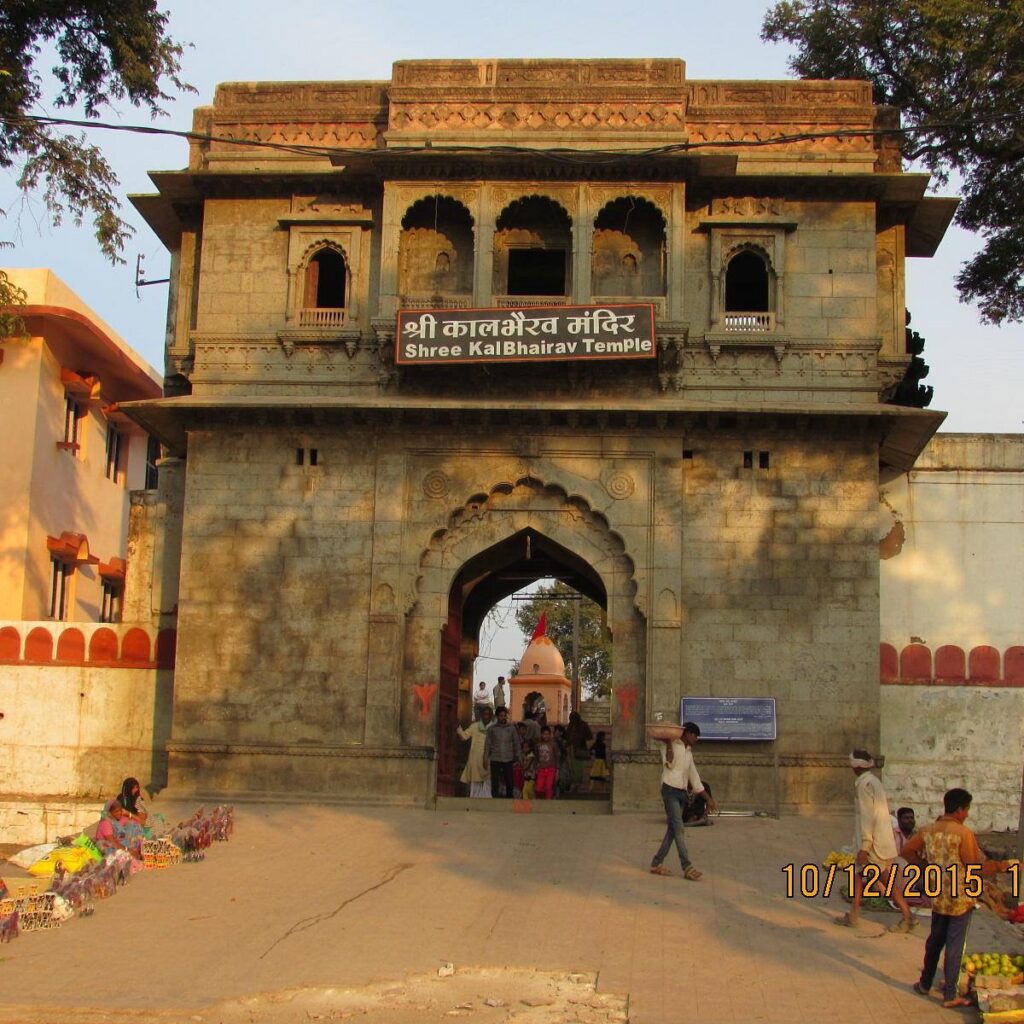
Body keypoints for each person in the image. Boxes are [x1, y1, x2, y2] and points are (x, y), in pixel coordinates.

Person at [903, 788, 1018, 1008]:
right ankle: (950, 995)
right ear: (959, 809)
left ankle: (925, 983)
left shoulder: (929, 829)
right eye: (966, 810)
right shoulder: (963, 834)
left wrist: (926, 867)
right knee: (955, 945)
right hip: (960, 898)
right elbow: (976, 867)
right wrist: (1003, 866)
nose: (967, 814)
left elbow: (907, 850)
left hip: (938, 895)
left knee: (935, 941)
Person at [834, 750, 915, 932]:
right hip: (877, 840)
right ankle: (853, 914)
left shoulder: (864, 785)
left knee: (883, 878)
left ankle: (907, 915)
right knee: (857, 875)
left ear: (857, 767)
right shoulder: (873, 781)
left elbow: (867, 818)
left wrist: (864, 847)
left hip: (873, 843)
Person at [649, 722, 717, 880]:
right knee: (679, 829)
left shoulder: (688, 752)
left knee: (672, 831)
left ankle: (656, 863)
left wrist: (709, 799)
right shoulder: (670, 744)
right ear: (687, 734)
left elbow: (695, 778)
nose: (696, 739)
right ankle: (687, 866)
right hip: (669, 791)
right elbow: (669, 763)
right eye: (695, 735)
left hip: (682, 793)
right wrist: (668, 744)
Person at [483, 706, 522, 798]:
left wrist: (519, 757)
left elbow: (516, 743)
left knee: (509, 781)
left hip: (508, 758)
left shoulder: (511, 728)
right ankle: (495, 801)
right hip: (495, 758)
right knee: (495, 782)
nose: (503, 718)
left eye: (504, 716)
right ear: (497, 717)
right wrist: (485, 758)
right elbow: (487, 744)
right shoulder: (491, 729)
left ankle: (509, 800)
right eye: (501, 716)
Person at [456, 705, 493, 798]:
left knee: (488, 780)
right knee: (475, 780)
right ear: (481, 715)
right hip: (475, 758)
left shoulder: (494, 727)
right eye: (485, 714)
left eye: (489, 714)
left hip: (489, 757)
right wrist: (458, 728)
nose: (486, 716)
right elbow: (464, 737)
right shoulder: (474, 726)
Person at [565, 711, 593, 792]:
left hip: (580, 748)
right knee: (572, 767)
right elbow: (568, 736)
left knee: (579, 768)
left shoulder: (583, 725)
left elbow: (589, 737)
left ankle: (576, 784)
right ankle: (574, 783)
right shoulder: (571, 725)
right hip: (571, 748)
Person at [535, 726, 559, 800]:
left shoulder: (553, 745)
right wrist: (536, 767)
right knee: (538, 788)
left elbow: (557, 757)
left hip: (551, 769)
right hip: (541, 769)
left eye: (548, 734)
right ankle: (541, 800)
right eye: (544, 734)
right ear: (541, 735)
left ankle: (548, 802)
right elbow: (537, 757)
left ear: (550, 734)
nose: (546, 736)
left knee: (549, 786)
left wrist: (557, 771)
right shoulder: (538, 745)